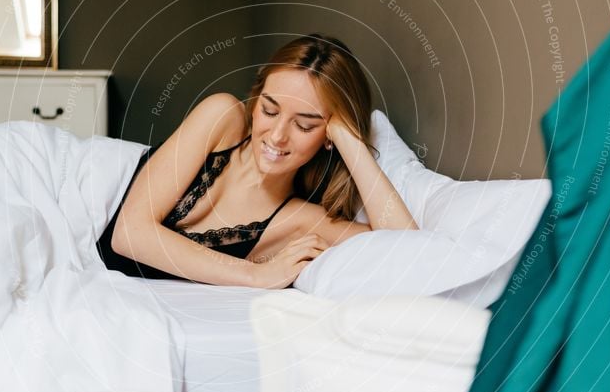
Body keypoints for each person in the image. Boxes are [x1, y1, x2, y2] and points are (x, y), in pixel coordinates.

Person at [96, 33, 418, 288]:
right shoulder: (221, 117)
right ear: (256, 99)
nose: (277, 135)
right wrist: (255, 275)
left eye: (304, 125)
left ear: (327, 136)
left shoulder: (301, 220)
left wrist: (348, 138)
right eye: (269, 110)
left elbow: (408, 250)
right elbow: (128, 234)